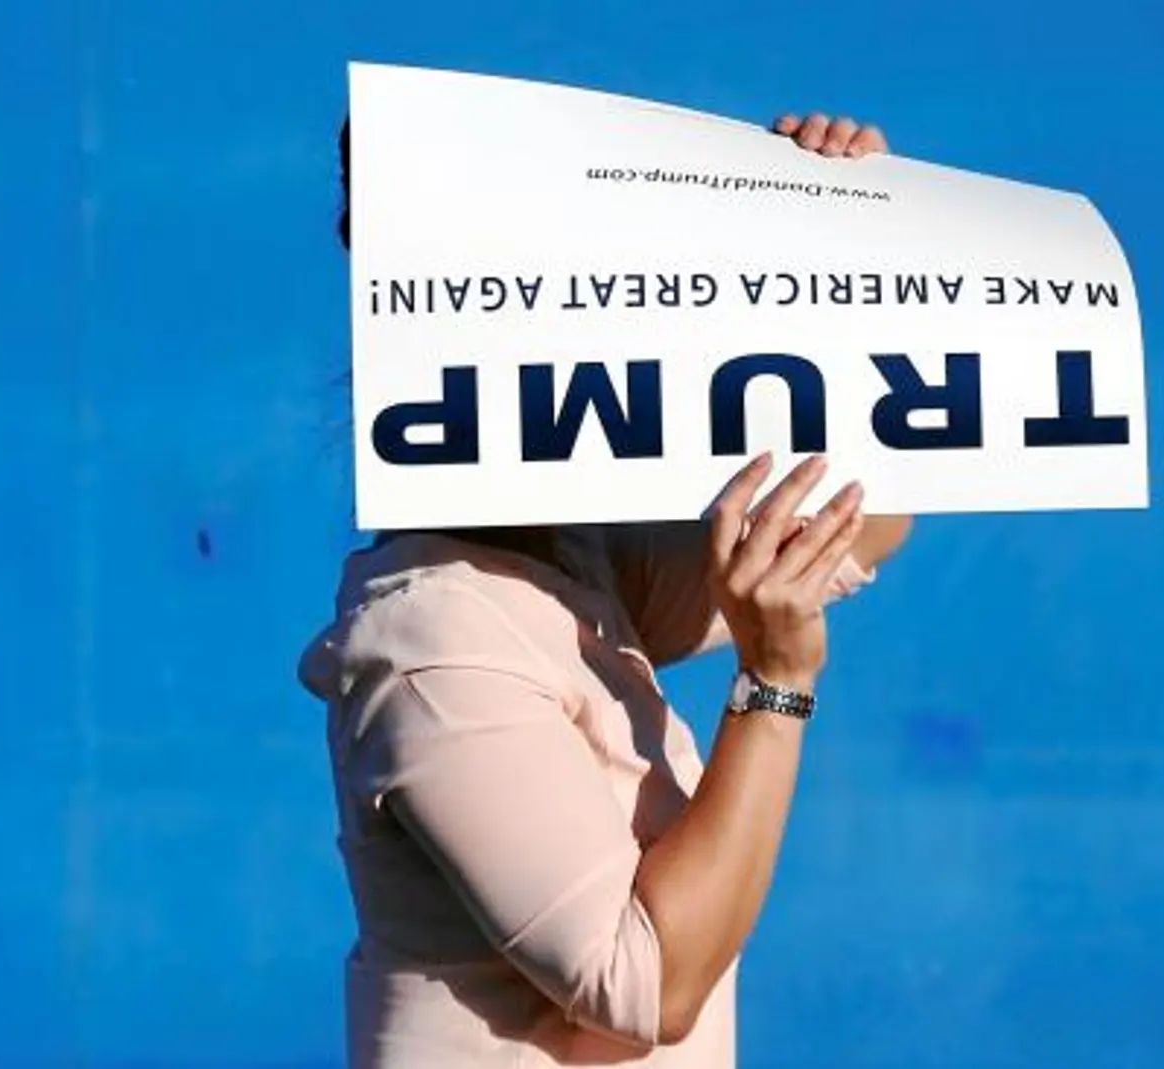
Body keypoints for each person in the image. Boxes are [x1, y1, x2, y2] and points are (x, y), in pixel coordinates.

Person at [300, 110, 911, 1068]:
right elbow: (644, 986)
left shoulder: (574, 567)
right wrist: (776, 680)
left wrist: (850, 252)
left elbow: (861, 517)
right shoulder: (432, 633)